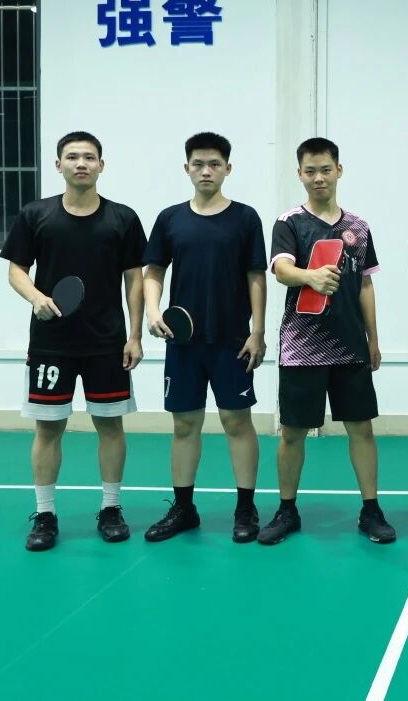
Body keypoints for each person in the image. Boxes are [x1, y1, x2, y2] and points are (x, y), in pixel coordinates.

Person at [1, 131, 146, 551]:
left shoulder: (123, 218)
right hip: (52, 343)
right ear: (58, 165)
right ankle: (45, 514)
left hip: (106, 343)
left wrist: (135, 335)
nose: (81, 163)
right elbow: (16, 271)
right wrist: (36, 298)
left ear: (101, 165)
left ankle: (111, 508)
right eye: (72, 157)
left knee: (111, 426)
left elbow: (135, 280)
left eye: (88, 157)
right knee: (48, 429)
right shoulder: (35, 215)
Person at [258, 137, 395, 546]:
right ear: (300, 175)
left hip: (351, 347)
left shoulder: (359, 227)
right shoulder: (289, 222)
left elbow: (365, 283)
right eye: (310, 171)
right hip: (301, 348)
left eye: (325, 169)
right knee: (292, 433)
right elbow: (281, 269)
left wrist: (373, 338)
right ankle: (287, 510)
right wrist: (310, 277)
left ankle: (371, 510)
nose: (318, 177)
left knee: (361, 429)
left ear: (339, 170)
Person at [140, 132, 267, 544]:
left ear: (228, 168)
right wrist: (153, 311)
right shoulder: (170, 219)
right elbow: (153, 271)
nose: (206, 171)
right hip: (184, 343)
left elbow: (256, 276)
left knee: (237, 421)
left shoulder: (245, 218)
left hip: (232, 341)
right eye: (198, 164)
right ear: (187, 168)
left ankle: (245, 508)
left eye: (214, 164)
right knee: (184, 424)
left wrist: (258, 331)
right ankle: (184, 509)